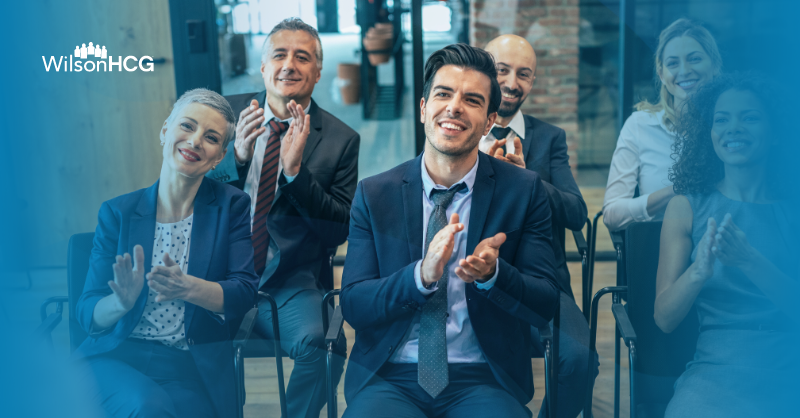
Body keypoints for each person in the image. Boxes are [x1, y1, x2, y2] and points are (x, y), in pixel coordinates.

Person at [340, 43, 560, 418]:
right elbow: (355, 305)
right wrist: (420, 277)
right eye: (443, 94)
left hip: (483, 378)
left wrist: (494, 275)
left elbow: (545, 302)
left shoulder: (524, 191)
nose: (454, 107)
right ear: (424, 108)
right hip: (390, 376)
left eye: (472, 100)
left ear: (490, 121)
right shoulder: (375, 193)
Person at [74, 88, 260, 418]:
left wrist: (188, 287)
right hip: (117, 354)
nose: (195, 141)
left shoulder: (232, 206)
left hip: (187, 363)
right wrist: (119, 303)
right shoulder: (118, 212)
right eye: (187, 126)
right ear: (165, 131)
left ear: (219, 156)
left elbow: (244, 292)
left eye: (211, 137)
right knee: (149, 408)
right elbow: (87, 310)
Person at [209, 17, 358, 418]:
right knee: (189, 345)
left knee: (324, 347)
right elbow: (188, 193)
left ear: (317, 71)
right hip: (217, 273)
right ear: (263, 67)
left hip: (290, 281)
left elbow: (338, 230)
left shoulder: (341, 140)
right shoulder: (223, 115)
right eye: (279, 54)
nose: (289, 65)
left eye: (302, 57)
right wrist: (235, 159)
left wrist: (296, 176)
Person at [654, 73, 799, 416]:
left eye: (749, 117)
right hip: (714, 372)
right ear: (710, 134)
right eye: (722, 119)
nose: (733, 128)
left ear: (776, 132)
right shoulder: (685, 206)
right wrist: (698, 272)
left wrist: (749, 260)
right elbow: (664, 318)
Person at [481, 34, 595, 418]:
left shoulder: (549, 140)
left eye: (524, 74)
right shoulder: (458, 128)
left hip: (541, 282)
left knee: (580, 361)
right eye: (501, 70)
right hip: (474, 281)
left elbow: (577, 213)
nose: (512, 83)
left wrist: (529, 180)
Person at [603, 18, 723, 232]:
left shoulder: (730, 125)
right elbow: (612, 215)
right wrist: (679, 189)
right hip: (661, 255)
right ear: (661, 74)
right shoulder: (640, 125)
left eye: (694, 59)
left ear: (714, 66)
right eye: (673, 63)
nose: (684, 70)